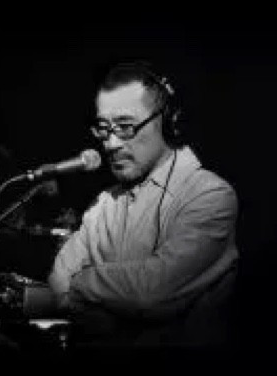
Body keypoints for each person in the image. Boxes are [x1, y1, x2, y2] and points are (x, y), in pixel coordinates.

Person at [46, 62, 239, 350]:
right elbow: (57, 284)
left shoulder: (211, 195)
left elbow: (152, 291)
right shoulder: (104, 203)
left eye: (125, 127)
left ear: (168, 121)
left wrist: (83, 283)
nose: (110, 143)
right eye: (103, 129)